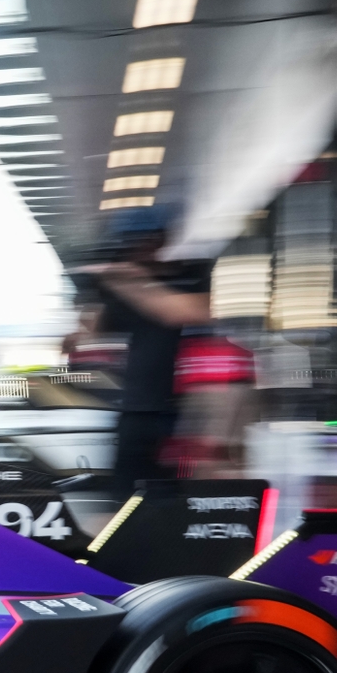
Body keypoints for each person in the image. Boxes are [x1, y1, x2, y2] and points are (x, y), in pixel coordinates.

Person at [67, 207, 212, 492]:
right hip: (138, 410)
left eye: (146, 239)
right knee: (129, 494)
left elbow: (181, 312)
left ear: (162, 239)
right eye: (130, 243)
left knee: (185, 493)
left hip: (189, 411)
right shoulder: (120, 289)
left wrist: (124, 279)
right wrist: (88, 297)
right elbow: (86, 335)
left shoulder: (192, 274)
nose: (139, 249)